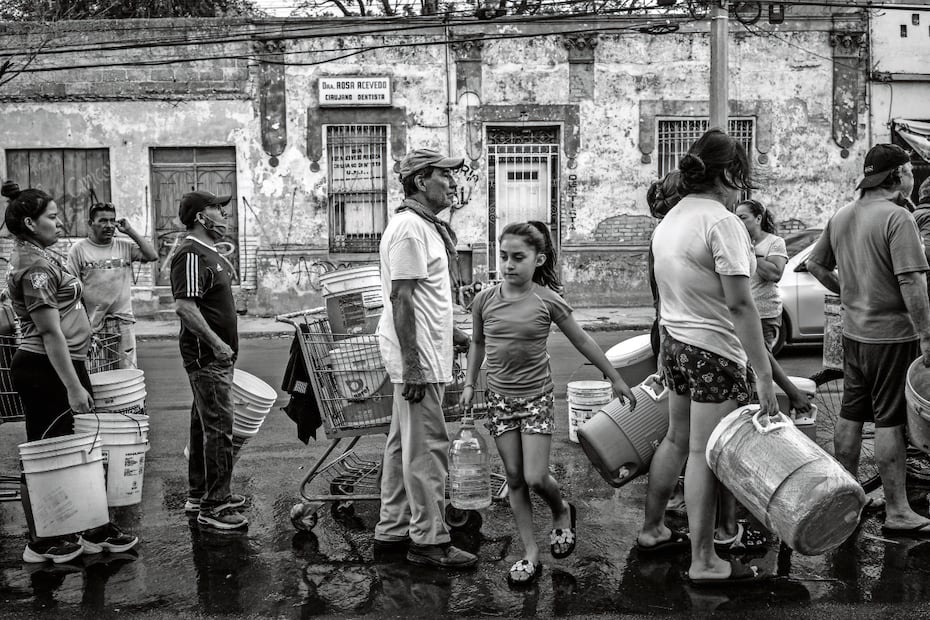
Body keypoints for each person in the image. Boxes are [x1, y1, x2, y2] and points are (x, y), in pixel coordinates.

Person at [635, 129, 778, 586]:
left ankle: (653, 528)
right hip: (712, 350)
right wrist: (763, 375)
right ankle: (704, 560)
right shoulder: (722, 222)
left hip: (676, 342)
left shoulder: (672, 217)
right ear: (733, 174)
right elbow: (740, 305)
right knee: (702, 452)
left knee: (676, 442)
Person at [461, 221, 636, 587]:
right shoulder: (484, 300)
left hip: (536, 398)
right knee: (512, 478)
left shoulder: (547, 300)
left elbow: (583, 341)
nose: (508, 265)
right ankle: (530, 553)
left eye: (518, 258)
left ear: (538, 259)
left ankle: (561, 510)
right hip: (499, 400)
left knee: (535, 476)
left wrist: (615, 377)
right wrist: (468, 381)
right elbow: (476, 343)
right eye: (504, 256)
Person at [2, 183, 138, 563]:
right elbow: (49, 332)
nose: (59, 222)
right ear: (30, 222)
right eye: (51, 216)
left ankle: (93, 527)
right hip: (45, 369)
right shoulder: (35, 268)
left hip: (65, 364)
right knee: (47, 453)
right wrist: (74, 386)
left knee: (79, 450)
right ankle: (41, 541)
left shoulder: (44, 254)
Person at [807, 143, 930, 535]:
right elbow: (911, 280)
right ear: (896, 177)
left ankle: (848, 501)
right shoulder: (898, 218)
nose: (913, 177)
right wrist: (926, 334)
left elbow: (814, 263)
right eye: (910, 170)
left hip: (854, 334)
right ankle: (897, 510)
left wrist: (845, 292)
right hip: (892, 337)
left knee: (851, 415)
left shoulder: (843, 215)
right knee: (891, 422)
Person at [374, 148, 476, 569]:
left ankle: (393, 528)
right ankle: (430, 540)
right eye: (445, 176)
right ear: (420, 181)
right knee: (427, 450)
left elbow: (425, 298)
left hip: (427, 351)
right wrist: (414, 364)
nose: (453, 184)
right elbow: (401, 297)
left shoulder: (425, 228)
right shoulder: (411, 229)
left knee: (403, 448)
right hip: (418, 359)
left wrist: (454, 333)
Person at [170, 190, 247, 532]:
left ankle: (200, 494)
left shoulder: (209, 252)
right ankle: (215, 505)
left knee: (203, 425)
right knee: (219, 429)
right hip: (208, 358)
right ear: (201, 217)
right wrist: (217, 345)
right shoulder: (190, 253)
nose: (224, 214)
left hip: (217, 356)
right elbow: (185, 307)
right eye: (217, 209)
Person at [68, 202, 158, 369]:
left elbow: (152, 256)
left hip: (122, 322)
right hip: (92, 324)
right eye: (102, 220)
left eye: (112, 220)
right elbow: (72, 291)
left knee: (127, 373)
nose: (109, 226)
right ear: (90, 223)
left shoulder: (124, 246)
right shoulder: (78, 250)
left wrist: (130, 231)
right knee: (96, 373)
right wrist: (80, 324)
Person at [734, 199, 788, 351]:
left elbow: (774, 273)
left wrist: (751, 252)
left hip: (763, 314)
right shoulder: (735, 242)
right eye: (736, 217)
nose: (738, 222)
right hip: (739, 312)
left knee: (762, 360)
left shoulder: (775, 242)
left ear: (758, 218)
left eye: (743, 217)